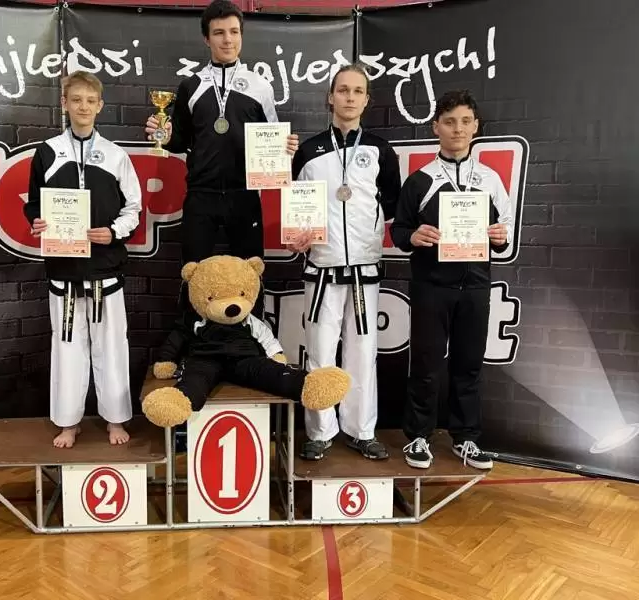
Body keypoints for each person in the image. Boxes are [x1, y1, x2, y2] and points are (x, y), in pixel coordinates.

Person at [144, 0, 299, 317]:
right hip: (201, 195)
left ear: (241, 35)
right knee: (193, 273)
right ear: (207, 39)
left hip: (244, 195)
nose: (227, 40)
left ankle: (253, 341)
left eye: (233, 32)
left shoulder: (260, 86)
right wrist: (163, 134)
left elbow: (271, 139)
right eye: (219, 33)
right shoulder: (191, 86)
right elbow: (179, 141)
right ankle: (190, 340)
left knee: (250, 274)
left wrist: (285, 148)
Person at [390, 89, 512, 470]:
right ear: (436, 128)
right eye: (449, 122)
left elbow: (505, 234)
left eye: (465, 121)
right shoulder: (420, 181)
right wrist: (413, 236)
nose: (457, 129)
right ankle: (418, 437)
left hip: (475, 287)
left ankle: (466, 438)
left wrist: (500, 236)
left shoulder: (491, 180)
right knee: (425, 365)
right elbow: (398, 232)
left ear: (475, 127)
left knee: (469, 364)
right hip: (431, 287)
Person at [289, 64, 401, 461]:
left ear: (366, 100)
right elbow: (297, 208)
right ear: (330, 97)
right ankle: (319, 431)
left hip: (364, 272)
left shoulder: (381, 151)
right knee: (319, 353)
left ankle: (361, 430)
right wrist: (298, 238)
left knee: (362, 354)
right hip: (321, 269)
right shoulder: (308, 151)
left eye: (357, 91)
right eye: (343, 90)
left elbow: (390, 206)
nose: (349, 97)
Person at [25, 71, 142, 449]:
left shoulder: (115, 155)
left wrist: (114, 232)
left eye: (90, 101)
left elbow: (134, 208)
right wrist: (37, 222)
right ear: (64, 103)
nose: (83, 107)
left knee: (112, 349)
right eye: (76, 100)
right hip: (64, 271)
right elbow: (34, 204)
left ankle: (115, 419)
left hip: (105, 270)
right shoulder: (47, 152)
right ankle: (68, 422)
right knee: (67, 350)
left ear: (100, 106)